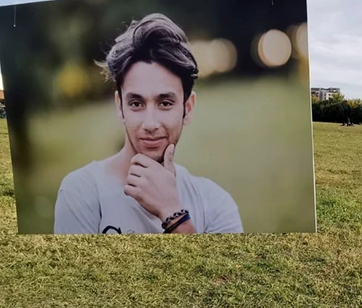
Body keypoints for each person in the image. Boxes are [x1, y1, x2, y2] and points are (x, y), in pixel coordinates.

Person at [53, 13, 244, 235]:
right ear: (119, 106)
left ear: (187, 109)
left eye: (165, 103)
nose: (150, 123)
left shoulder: (216, 204)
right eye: (136, 103)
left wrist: (173, 213)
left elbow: (221, 271)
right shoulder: (81, 192)